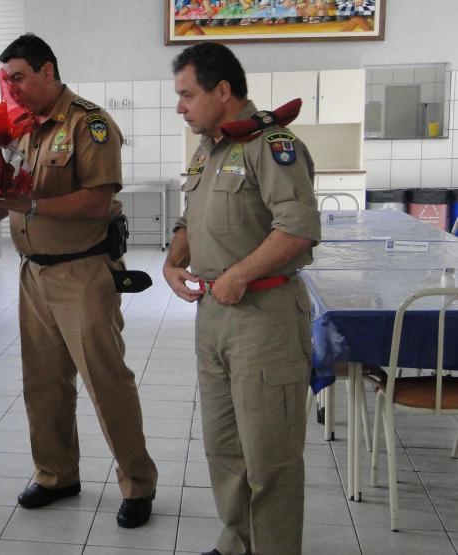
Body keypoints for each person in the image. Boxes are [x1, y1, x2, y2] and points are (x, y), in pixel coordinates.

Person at [0, 33, 158, 528]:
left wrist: (27, 204)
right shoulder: (22, 130)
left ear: (47, 71)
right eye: (6, 81)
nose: (11, 89)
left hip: (82, 272)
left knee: (106, 381)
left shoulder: (89, 124)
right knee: (44, 383)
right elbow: (5, 199)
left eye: (19, 78)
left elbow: (96, 201)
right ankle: (56, 475)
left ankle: (138, 482)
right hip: (33, 274)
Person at [163, 42, 320, 555]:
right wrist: (172, 261)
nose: (180, 107)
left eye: (187, 95)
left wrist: (238, 275)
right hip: (213, 317)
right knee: (224, 448)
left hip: (264, 317)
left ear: (222, 91)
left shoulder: (271, 145)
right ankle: (236, 543)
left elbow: (297, 229)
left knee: (270, 457)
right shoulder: (209, 147)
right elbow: (190, 217)